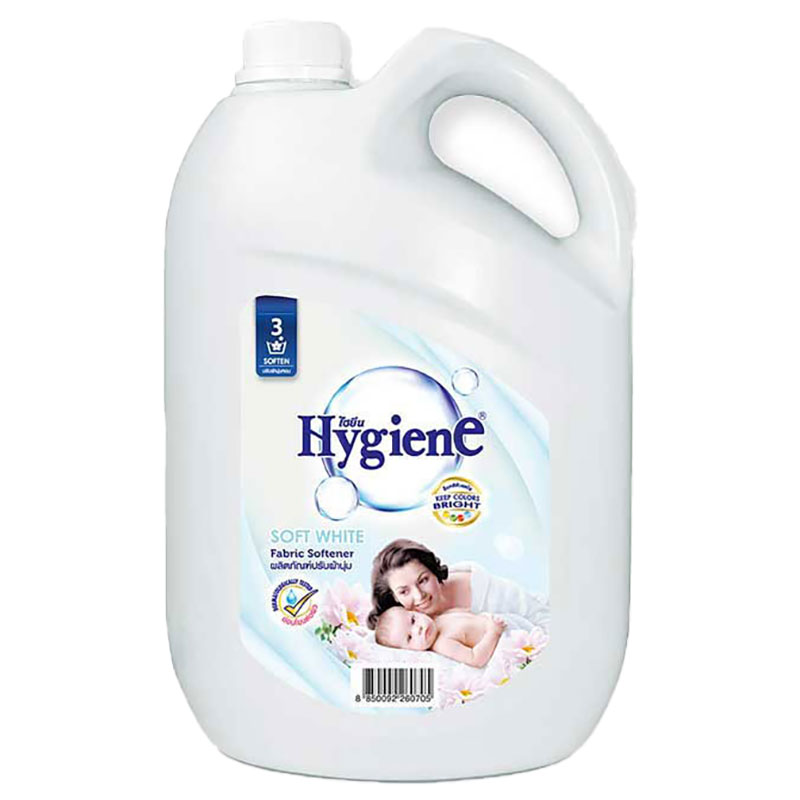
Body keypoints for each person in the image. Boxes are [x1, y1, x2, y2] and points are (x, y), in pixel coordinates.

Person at [367, 538, 548, 630]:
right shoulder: (399, 620)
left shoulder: (483, 589)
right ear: (394, 597)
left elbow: (540, 616)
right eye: (404, 592)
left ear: (435, 572)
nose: (419, 596)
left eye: (423, 580)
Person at [374, 606, 506, 668]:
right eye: (409, 637)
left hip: (498, 622)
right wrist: (493, 633)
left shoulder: (439, 617)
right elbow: (476, 659)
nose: (418, 629)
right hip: (499, 640)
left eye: (413, 620)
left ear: (415, 611)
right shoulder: (443, 644)